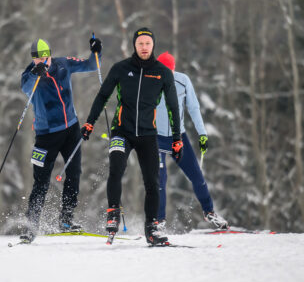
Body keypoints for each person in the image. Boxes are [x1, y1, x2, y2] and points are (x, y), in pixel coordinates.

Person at [81, 28, 182, 246]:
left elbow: (173, 107)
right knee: (116, 169)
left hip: (147, 134)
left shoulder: (163, 73)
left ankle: (152, 229)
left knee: (153, 182)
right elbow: (103, 95)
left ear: (153, 45)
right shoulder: (121, 68)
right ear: (134, 45)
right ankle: (113, 214)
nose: (144, 47)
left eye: (147, 43)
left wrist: (177, 138)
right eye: (140, 43)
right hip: (121, 131)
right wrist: (90, 122)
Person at [18, 35, 101, 243]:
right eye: (37, 58)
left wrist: (96, 51)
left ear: (50, 55)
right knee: (41, 181)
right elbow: (26, 88)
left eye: (45, 57)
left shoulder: (63, 64)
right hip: (46, 135)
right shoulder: (29, 74)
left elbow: (91, 65)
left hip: (71, 129)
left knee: (74, 174)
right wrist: (35, 74)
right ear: (33, 59)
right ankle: (31, 226)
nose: (42, 61)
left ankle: (66, 220)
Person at [153, 52, 228, 230]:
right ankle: (158, 221)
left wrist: (202, 134)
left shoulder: (183, 80)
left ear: (174, 69)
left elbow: (193, 108)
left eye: (169, 71)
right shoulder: (150, 82)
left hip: (178, 137)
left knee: (197, 176)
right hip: (156, 138)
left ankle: (209, 212)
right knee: (159, 181)